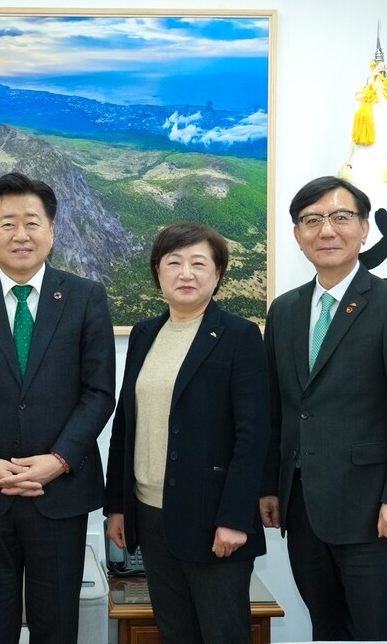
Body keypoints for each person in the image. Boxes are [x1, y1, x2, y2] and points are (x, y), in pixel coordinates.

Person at [0, 172, 116, 643]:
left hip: (61, 492)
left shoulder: (85, 297)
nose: (21, 234)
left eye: (32, 222)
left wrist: (57, 461)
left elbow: (98, 393)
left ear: (52, 231)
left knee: (57, 626)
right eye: (7, 223)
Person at [258, 177, 387, 640]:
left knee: (379, 631)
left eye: (340, 218)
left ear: (363, 229)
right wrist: (270, 486)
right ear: (298, 234)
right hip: (304, 509)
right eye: (312, 221)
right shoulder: (285, 311)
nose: (326, 231)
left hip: (374, 511)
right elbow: (278, 409)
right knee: (327, 630)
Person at [104, 221, 268, 644]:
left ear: (217, 274)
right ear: (158, 273)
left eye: (199, 263)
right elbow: (127, 423)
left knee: (222, 634)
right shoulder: (144, 334)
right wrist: (117, 507)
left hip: (213, 520)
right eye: (173, 262)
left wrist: (234, 519)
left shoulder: (239, 335)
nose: (186, 273)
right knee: (174, 633)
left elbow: (253, 435)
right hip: (150, 516)